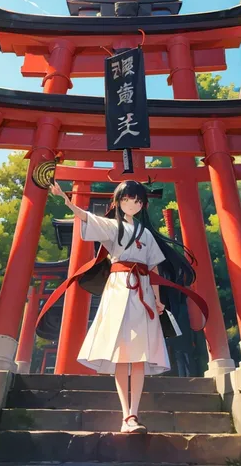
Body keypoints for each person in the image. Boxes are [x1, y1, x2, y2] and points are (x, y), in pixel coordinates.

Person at [49, 179, 202, 435]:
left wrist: (157, 298)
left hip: (142, 287)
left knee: (140, 354)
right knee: (122, 351)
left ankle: (135, 412)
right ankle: (126, 415)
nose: (133, 203)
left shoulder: (146, 233)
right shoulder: (111, 226)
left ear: (142, 204)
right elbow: (85, 217)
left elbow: (153, 268)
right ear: (119, 201)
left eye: (138, 200)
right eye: (128, 199)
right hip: (120, 286)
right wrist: (66, 200)